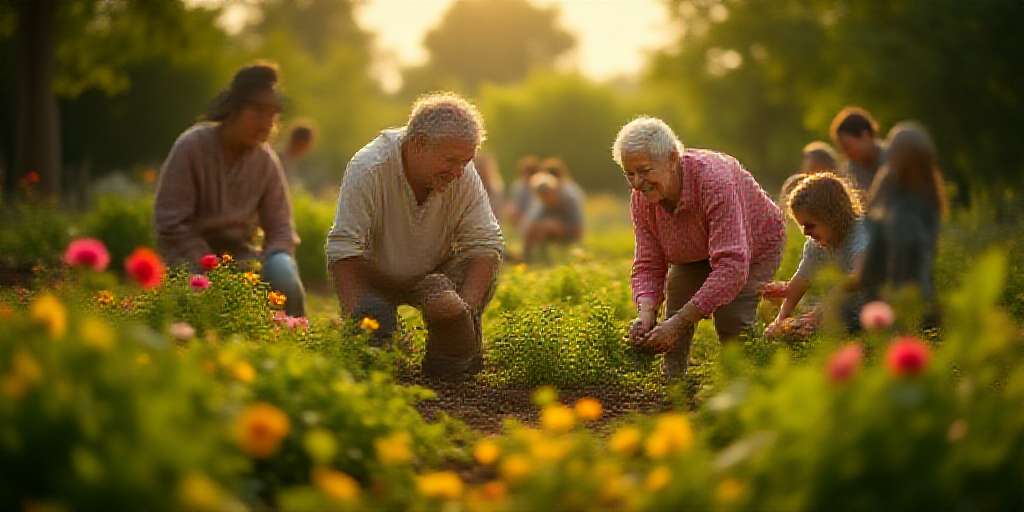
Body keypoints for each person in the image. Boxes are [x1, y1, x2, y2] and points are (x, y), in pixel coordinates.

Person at [325, 92, 503, 380]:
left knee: (453, 369)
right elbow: (344, 250)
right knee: (375, 362)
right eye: (452, 161)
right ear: (418, 144)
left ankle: (452, 354)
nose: (459, 171)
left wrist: (464, 313)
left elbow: (485, 244)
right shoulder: (369, 167)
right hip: (374, 276)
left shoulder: (463, 172)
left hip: (434, 277)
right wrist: (356, 320)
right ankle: (378, 331)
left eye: (466, 161)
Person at [614, 116, 786, 378]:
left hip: (752, 246)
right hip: (695, 249)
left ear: (672, 159)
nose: (637, 182)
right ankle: (673, 383)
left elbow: (731, 266)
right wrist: (647, 313)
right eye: (630, 173)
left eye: (645, 171)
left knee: (733, 318)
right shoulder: (642, 199)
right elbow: (649, 262)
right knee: (678, 291)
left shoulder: (714, 182)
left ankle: (749, 380)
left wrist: (680, 323)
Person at [154, 61, 306, 317]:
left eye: (273, 114)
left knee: (282, 271)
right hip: (188, 257)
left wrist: (271, 259)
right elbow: (171, 221)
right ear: (233, 108)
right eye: (258, 111)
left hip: (241, 259)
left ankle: (297, 341)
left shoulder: (265, 161)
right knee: (200, 306)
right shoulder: (192, 146)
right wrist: (210, 265)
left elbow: (281, 228)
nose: (267, 122)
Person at [857, 122, 946, 320]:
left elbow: (924, 250)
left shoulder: (926, 196)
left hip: (908, 284)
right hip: (883, 282)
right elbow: (872, 235)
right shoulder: (889, 185)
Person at [764, 173, 868, 338]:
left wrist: (821, 310)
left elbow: (858, 277)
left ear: (833, 216)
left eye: (809, 225)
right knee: (792, 330)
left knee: (810, 324)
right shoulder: (818, 244)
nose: (805, 232)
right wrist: (780, 319)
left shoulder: (861, 233)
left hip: (877, 310)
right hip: (846, 314)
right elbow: (802, 279)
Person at [520, 170, 584, 262]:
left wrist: (557, 227)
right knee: (534, 227)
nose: (544, 196)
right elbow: (530, 224)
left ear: (555, 189)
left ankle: (543, 259)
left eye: (547, 191)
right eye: (540, 193)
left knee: (546, 227)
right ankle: (529, 258)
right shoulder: (541, 203)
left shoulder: (570, 200)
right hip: (549, 234)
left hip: (570, 235)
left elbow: (579, 230)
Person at [831, 106, 886, 198]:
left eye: (847, 147)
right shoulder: (851, 172)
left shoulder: (895, 157)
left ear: (865, 135)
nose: (846, 154)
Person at [277, 120, 316, 189]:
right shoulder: (278, 158)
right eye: (308, 142)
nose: (309, 147)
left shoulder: (293, 161)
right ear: (300, 141)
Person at [503, 155, 541, 227]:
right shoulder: (518, 186)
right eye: (523, 173)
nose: (525, 177)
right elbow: (514, 204)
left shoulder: (539, 187)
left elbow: (537, 209)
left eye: (529, 173)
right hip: (521, 217)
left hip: (534, 218)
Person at [473, 151, 505, 216]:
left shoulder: (495, 190)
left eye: (481, 168)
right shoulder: (469, 188)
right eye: (477, 168)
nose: (479, 171)